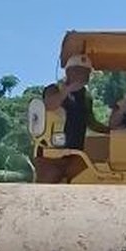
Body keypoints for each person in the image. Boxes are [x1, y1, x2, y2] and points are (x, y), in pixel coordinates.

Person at [36, 54, 107, 183]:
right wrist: (66, 90)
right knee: (48, 184)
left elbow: (91, 122)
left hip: (76, 153)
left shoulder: (85, 97)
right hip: (51, 153)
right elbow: (49, 105)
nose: (83, 76)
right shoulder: (54, 89)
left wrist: (111, 130)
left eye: (86, 72)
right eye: (78, 71)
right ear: (68, 72)